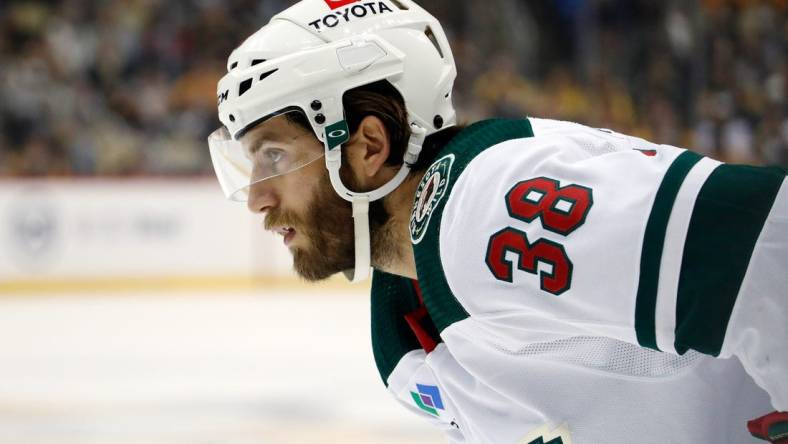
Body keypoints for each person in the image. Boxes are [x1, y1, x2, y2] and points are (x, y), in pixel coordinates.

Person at [207, 1, 788, 442]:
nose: (256, 197)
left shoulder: (487, 204)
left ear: (367, 146)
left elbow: (768, 242)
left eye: (274, 156)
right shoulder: (410, 326)